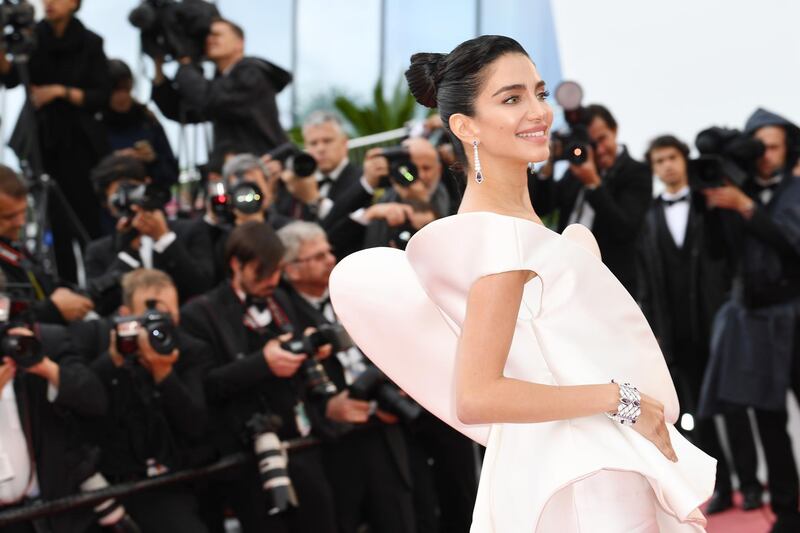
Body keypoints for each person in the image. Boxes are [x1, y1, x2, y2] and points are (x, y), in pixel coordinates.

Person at [329, 35, 715, 532]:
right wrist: (621, 399)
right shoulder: (498, 240)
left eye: (540, 92)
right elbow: (478, 396)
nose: (538, 112)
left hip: (581, 463)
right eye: (511, 99)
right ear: (465, 126)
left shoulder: (515, 229)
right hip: (580, 481)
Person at [180, 222, 336, 533]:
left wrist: (308, 350)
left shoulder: (280, 299)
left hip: (300, 442)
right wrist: (263, 363)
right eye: (260, 272)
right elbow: (207, 385)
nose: (271, 280)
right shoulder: (202, 313)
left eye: (276, 271)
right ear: (236, 264)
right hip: (247, 456)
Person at [637, 135, 762, 513]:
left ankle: (752, 485)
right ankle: (719, 487)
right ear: (654, 168)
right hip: (677, 334)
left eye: (672, 157)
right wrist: (654, 331)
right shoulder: (649, 217)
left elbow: (729, 260)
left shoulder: (709, 205)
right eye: (659, 161)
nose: (667, 166)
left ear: (685, 160)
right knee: (699, 417)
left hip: (718, 326)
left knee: (735, 409)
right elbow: (647, 278)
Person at [699, 108, 800, 533]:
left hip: (794, 315)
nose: (765, 155)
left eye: (773, 146)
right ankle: (786, 512)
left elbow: (791, 242)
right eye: (758, 146)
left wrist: (746, 208)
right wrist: (716, 207)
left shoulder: (794, 191)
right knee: (767, 419)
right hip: (754, 320)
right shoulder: (735, 190)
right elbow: (719, 254)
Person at [70, 268, 211, 533]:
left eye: (169, 313)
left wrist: (164, 374)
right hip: (108, 482)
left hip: (171, 483)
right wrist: (114, 362)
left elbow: (196, 424)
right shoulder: (94, 338)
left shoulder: (190, 349)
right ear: (125, 315)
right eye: (149, 315)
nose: (159, 324)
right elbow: (83, 408)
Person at [0, 0, 111, 282]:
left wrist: (59, 92)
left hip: (80, 145)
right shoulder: (32, 38)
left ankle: (100, 286)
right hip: (43, 145)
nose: (49, 3)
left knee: (88, 220)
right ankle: (66, 288)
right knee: (56, 228)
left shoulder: (90, 42)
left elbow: (101, 95)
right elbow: (10, 77)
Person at [529, 104, 652, 296]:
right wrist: (548, 166)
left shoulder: (637, 172)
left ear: (614, 129)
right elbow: (542, 207)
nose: (600, 150)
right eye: (592, 144)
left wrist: (593, 183)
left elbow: (625, 228)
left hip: (613, 284)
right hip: (568, 280)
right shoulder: (575, 173)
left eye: (602, 139)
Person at [152, 18, 291, 162]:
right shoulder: (221, 82)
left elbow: (210, 100)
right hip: (238, 171)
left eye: (217, 35)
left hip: (262, 168)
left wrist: (186, 65)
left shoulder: (252, 73)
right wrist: (158, 68)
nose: (209, 40)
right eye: (207, 37)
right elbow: (182, 111)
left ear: (239, 43)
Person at [0, 165, 94, 324]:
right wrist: (52, 310)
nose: (20, 222)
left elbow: (47, 285)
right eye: (9, 217)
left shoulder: (13, 247)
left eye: (23, 212)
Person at [105, 58, 178, 190]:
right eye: (115, 90)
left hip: (149, 198)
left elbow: (172, 174)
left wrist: (153, 159)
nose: (121, 96)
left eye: (125, 89)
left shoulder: (147, 120)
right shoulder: (95, 124)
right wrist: (115, 161)